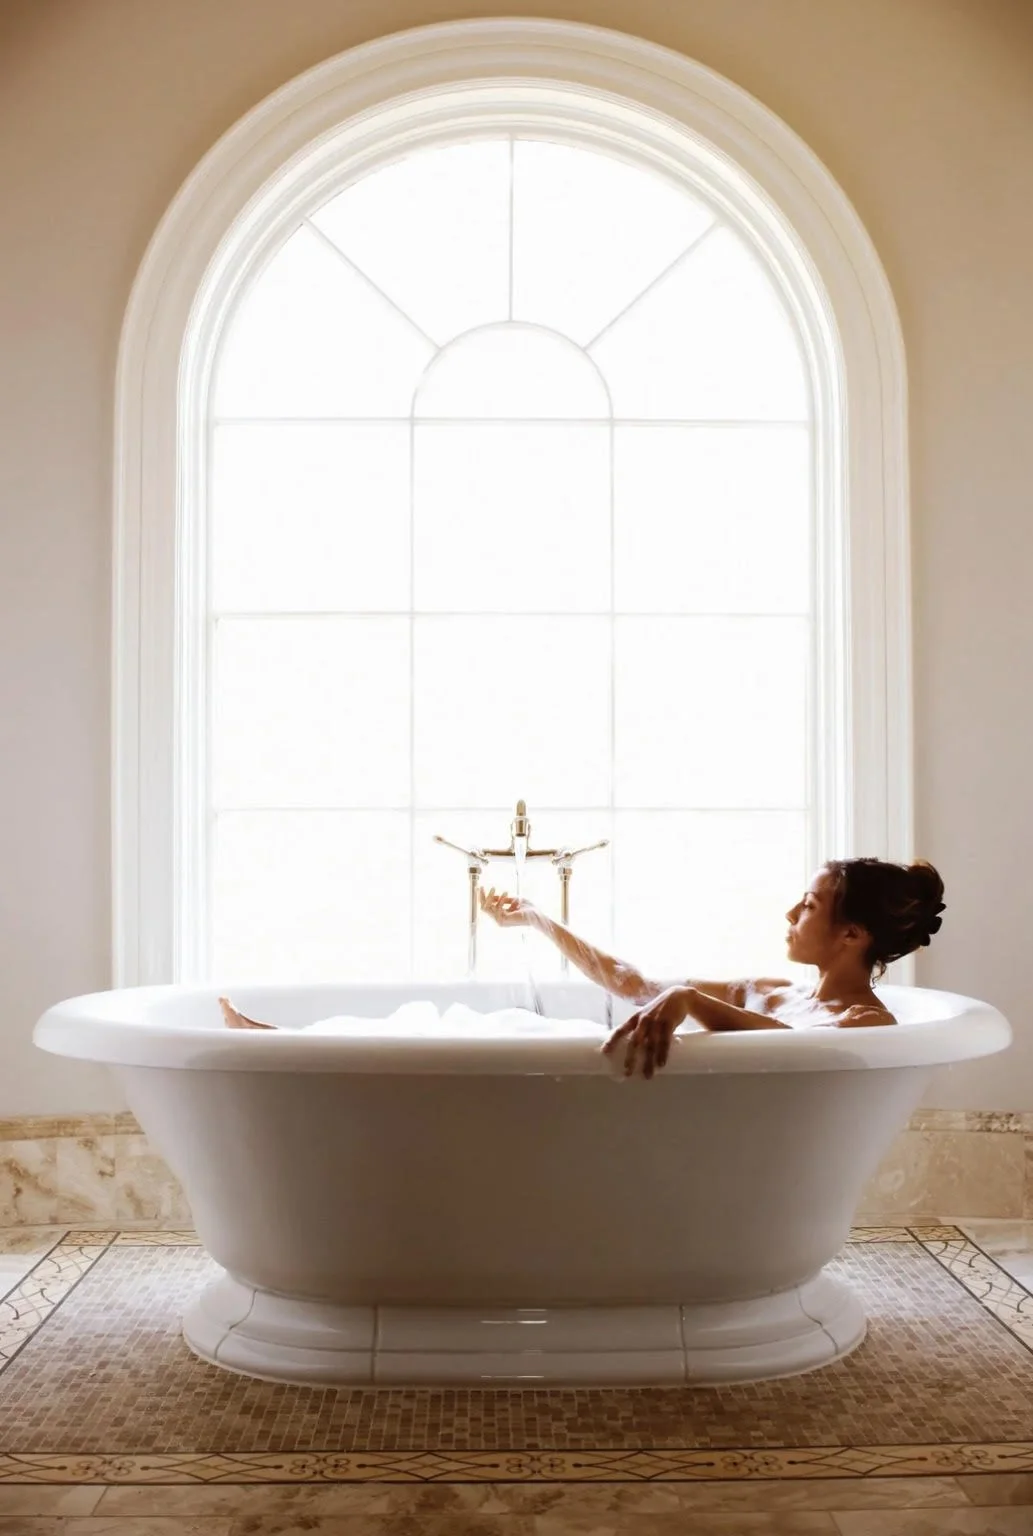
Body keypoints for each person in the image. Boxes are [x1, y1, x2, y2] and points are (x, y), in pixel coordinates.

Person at [479, 857, 946, 1078]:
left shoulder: (868, 1023)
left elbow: (796, 1050)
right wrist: (537, 918)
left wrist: (691, 1001)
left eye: (807, 906)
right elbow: (634, 984)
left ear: (851, 934)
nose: (790, 915)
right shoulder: (772, 993)